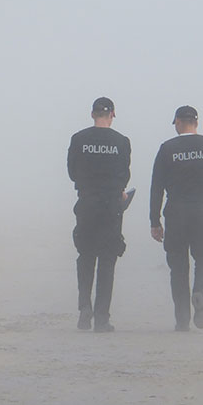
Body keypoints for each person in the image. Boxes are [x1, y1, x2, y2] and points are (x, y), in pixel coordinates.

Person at [149, 105, 203, 331]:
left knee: (178, 267)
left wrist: (154, 221)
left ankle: (182, 320)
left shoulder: (167, 149)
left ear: (177, 121)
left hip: (175, 214)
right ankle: (200, 292)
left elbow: (156, 187)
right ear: (196, 122)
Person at [67, 97, 131, 332]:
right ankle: (102, 318)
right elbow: (124, 175)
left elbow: (72, 172)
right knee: (107, 261)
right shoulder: (121, 142)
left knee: (85, 257)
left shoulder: (79, 139)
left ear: (92, 114)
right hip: (111, 207)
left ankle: (85, 307)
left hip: (86, 204)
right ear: (112, 114)